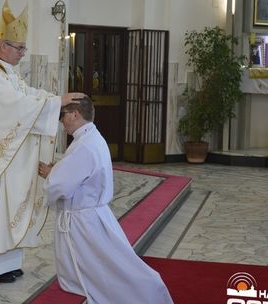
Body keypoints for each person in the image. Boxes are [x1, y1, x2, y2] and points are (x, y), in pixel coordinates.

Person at [0, 0, 84, 284]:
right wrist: (57, 103)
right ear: (2, 45)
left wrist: (54, 102)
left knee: (11, 210)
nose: (22, 53)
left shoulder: (8, 73)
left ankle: (7, 261)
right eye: (19, 48)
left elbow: (28, 95)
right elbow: (16, 107)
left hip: (10, 158)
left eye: (23, 48)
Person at [39, 96, 174, 303]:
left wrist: (50, 173)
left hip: (83, 221)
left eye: (62, 115)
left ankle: (149, 290)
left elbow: (62, 185)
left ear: (75, 114)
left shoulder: (84, 145)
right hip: (93, 215)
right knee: (112, 262)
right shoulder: (92, 137)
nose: (61, 121)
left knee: (108, 268)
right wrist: (57, 171)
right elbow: (74, 173)